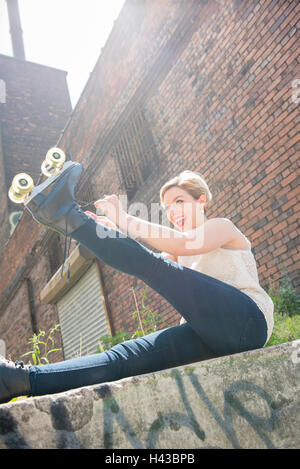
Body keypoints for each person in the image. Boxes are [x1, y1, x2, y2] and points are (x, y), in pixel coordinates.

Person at [0, 165, 274, 404]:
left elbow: (181, 245)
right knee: (124, 358)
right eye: (167, 208)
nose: (173, 212)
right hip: (209, 338)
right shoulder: (174, 256)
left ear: (201, 200)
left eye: (180, 201)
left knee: (154, 267)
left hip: (248, 323)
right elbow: (144, 260)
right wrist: (105, 230)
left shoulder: (223, 228)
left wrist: (124, 219)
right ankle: (18, 380)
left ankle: (64, 213)